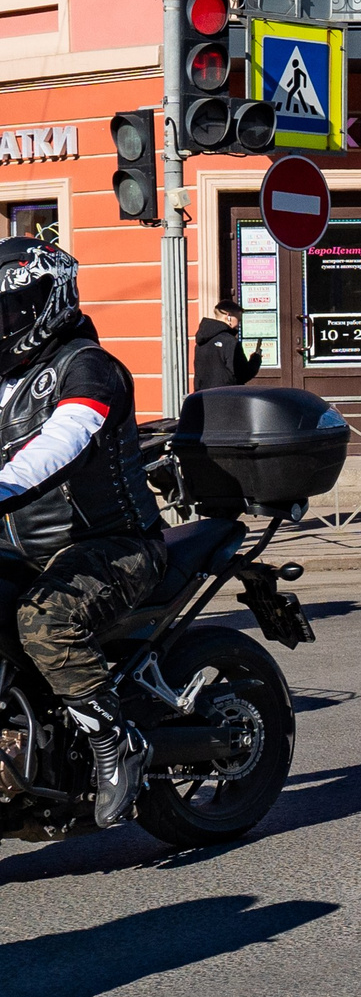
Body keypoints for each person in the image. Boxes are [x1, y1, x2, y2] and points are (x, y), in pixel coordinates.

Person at [0, 238, 166, 827]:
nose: (4, 322)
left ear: (49, 303)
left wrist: (2, 486)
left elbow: (63, 441)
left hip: (112, 546)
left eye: (12, 309)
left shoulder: (89, 367)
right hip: (20, 551)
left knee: (43, 620)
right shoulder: (6, 377)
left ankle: (114, 740)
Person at [191, 297, 262, 392]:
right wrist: (256, 359)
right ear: (229, 316)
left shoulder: (202, 340)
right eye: (238, 320)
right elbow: (242, 374)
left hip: (203, 396)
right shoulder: (230, 341)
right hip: (225, 395)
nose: (238, 324)